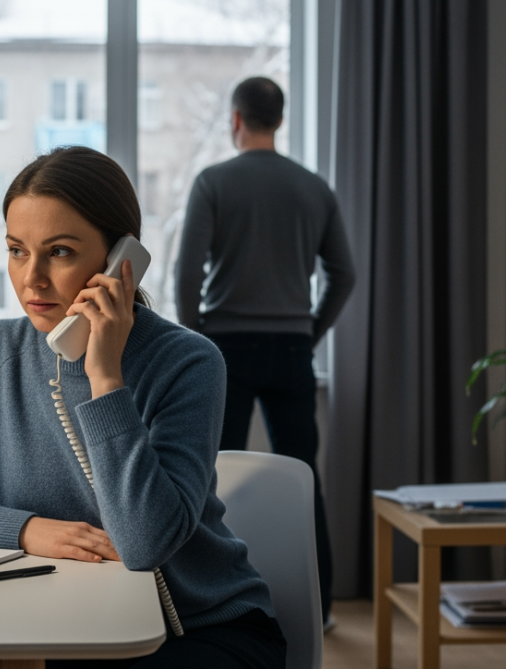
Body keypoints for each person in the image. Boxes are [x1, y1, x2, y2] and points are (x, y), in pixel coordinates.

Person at [0, 146, 286, 669]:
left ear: (120, 261)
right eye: (17, 250)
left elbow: (144, 544)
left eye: (59, 252)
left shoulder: (189, 362)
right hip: (55, 624)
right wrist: (25, 529)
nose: (31, 277)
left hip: (199, 628)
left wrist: (103, 379)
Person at [174, 76, 355, 629]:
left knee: (211, 476)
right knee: (303, 475)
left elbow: (187, 272)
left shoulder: (213, 181)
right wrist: (308, 331)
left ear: (235, 119)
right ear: (277, 120)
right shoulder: (313, 187)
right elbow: (343, 274)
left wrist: (196, 339)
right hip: (292, 346)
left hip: (224, 346)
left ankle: (211, 600)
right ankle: (318, 610)